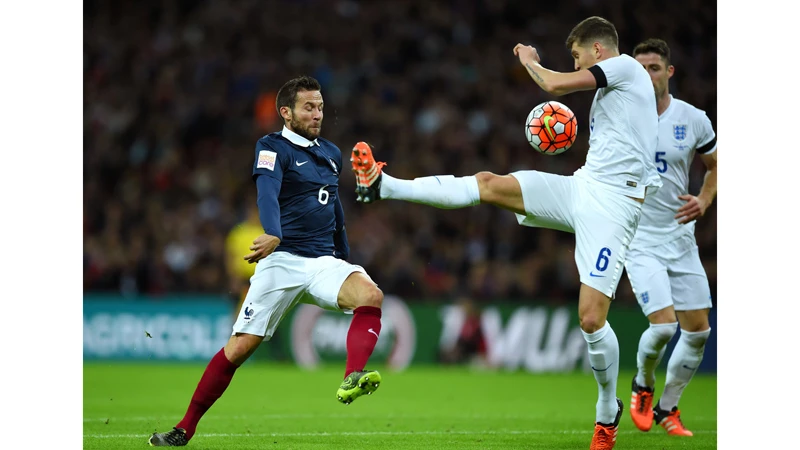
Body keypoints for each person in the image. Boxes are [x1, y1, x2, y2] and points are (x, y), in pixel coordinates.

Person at [352, 16, 661, 450]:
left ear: (596, 50)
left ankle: (607, 410)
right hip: (583, 186)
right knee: (490, 184)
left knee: (591, 319)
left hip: (616, 206)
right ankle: (384, 184)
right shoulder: (616, 90)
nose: (574, 63)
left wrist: (530, 59)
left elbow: (553, 86)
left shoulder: (626, 66)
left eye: (576, 55)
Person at [149, 75, 385, 447]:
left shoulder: (331, 153)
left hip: (323, 261)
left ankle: (352, 376)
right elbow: (267, 192)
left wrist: (344, 253)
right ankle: (184, 428)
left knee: (371, 295)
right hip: (283, 260)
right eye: (309, 107)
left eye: (321, 107)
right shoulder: (272, 147)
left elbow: (334, 206)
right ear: (286, 112)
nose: (317, 114)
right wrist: (273, 232)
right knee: (239, 349)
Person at [625, 38, 717, 437]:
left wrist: (705, 198)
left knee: (698, 332)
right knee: (663, 327)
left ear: (669, 72)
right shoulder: (621, 116)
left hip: (680, 237)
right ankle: (643, 385)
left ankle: (668, 408)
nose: (648, 76)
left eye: (654, 68)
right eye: (641, 69)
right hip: (640, 238)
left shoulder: (693, 118)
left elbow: (715, 165)